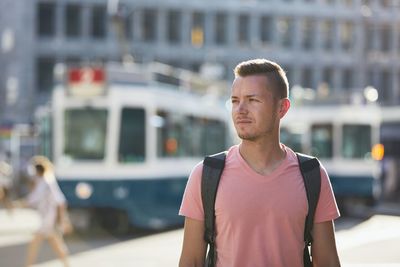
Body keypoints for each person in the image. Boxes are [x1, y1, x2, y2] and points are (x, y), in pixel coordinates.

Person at [179, 58, 341, 267]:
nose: (240, 110)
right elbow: (190, 261)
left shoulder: (312, 174)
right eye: (235, 100)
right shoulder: (206, 175)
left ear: (282, 108)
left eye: (253, 100)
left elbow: (328, 262)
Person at [13, 156, 71, 267]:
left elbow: (35, 199)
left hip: (48, 219)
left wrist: (63, 220)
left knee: (35, 243)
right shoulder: (46, 180)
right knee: (56, 244)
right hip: (48, 218)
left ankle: (28, 264)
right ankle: (67, 264)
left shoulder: (46, 182)